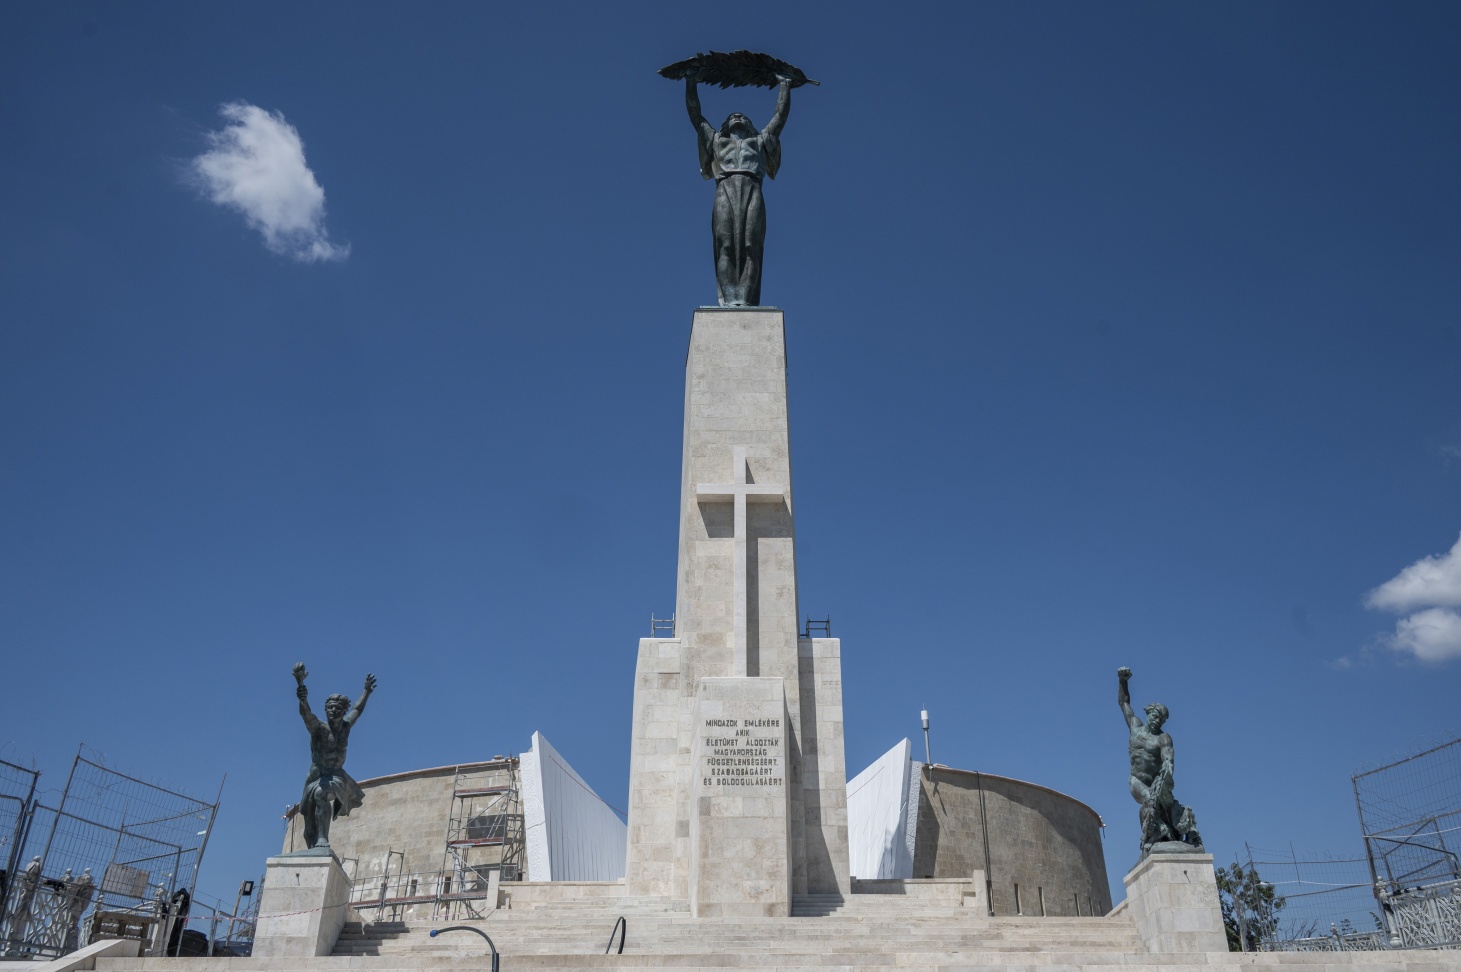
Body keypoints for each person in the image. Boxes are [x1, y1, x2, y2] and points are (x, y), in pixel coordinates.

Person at [684, 71, 792, 307]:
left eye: (742, 115)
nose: (738, 116)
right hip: (724, 188)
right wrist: (691, 82)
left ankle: (744, 298)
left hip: (753, 188)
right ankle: (731, 298)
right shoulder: (716, 141)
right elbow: (696, 117)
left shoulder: (759, 141)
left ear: (750, 125)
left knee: (751, 245)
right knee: (726, 244)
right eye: (733, 115)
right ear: (726, 125)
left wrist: (784, 86)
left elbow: (779, 117)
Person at [1118, 666, 1202, 855]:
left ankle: (1185, 830)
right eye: (1156, 717)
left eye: (1161, 720)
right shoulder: (1134, 726)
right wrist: (1122, 681)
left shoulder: (1163, 738)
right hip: (1137, 780)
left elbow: (1168, 759)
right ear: (1149, 714)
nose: (1158, 722)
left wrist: (1168, 768)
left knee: (1169, 804)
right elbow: (1123, 703)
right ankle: (1158, 833)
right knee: (1149, 799)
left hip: (1157, 781)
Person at [292, 663, 375, 849]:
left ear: (343, 711)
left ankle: (323, 838)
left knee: (321, 794)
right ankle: (314, 841)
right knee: (308, 825)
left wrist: (366, 691)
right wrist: (301, 690)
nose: (332, 711)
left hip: (336, 775)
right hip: (315, 775)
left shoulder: (345, 727)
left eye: (337, 708)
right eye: (329, 707)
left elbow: (358, 710)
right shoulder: (319, 728)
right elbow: (306, 714)